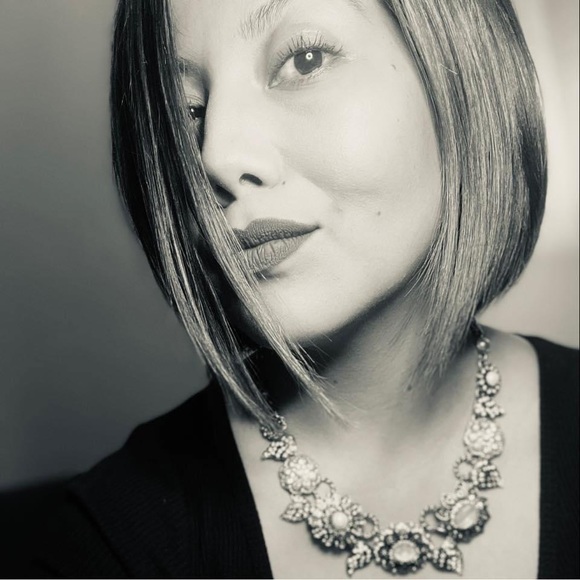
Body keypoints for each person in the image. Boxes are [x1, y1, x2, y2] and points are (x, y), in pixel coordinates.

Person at [11, 0, 578, 578]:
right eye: (183, 113)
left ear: (460, 66)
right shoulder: (104, 545)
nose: (216, 155)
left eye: (305, 60)